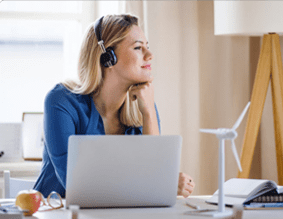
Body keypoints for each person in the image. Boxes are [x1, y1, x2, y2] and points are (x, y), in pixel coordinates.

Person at [34, 14, 195, 199]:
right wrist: (160, 183)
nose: (150, 55)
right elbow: (76, 186)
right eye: (138, 47)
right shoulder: (61, 101)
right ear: (108, 58)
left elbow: (155, 185)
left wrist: (149, 112)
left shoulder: (144, 106)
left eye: (147, 47)